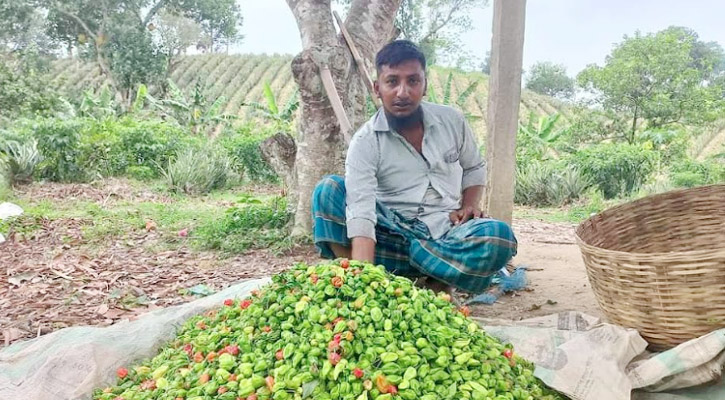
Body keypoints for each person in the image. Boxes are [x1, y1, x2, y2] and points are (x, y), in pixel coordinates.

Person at [311, 40, 517, 295]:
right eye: (392, 81)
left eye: (412, 81)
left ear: (424, 84)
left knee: (498, 237)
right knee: (328, 189)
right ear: (377, 88)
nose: (402, 92)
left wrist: (469, 205)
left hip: (447, 233)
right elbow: (361, 213)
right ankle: (362, 277)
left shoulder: (451, 121)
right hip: (391, 233)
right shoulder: (365, 142)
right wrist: (363, 288)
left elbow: (474, 168)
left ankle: (435, 283)